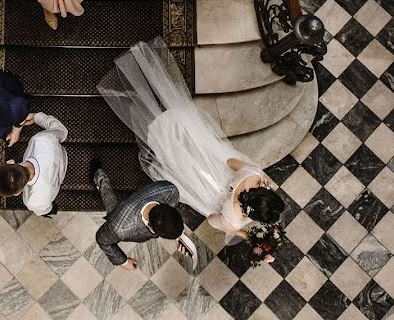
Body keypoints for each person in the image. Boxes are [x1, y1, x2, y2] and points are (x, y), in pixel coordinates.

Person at [97, 38, 286, 244]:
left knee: (190, 136)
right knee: (179, 155)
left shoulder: (254, 175)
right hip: (203, 184)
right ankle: (154, 122)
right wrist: (243, 233)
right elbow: (214, 220)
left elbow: (230, 162)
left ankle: (158, 102)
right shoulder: (235, 219)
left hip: (215, 162)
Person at [91, 160, 191, 270]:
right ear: (151, 229)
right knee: (112, 209)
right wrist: (123, 262)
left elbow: (170, 217)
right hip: (122, 216)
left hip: (143, 197)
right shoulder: (120, 228)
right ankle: (98, 174)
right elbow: (102, 240)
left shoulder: (170, 190)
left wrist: (178, 235)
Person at [0, 112, 69, 216]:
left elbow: (45, 209)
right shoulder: (41, 140)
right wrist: (36, 117)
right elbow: (63, 132)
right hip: (61, 155)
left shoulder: (33, 202)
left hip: (56, 179)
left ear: (17, 193)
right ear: (10, 162)